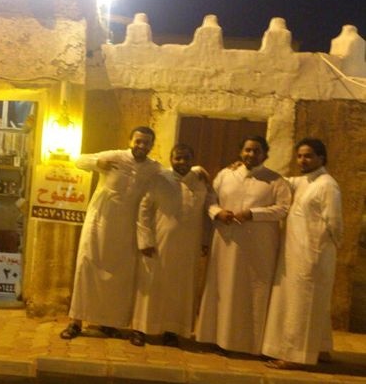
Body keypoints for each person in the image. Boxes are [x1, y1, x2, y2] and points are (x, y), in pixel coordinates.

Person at [60, 126, 161, 339]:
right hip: (98, 224)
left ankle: (108, 322)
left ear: (152, 145)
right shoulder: (115, 156)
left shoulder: (153, 168)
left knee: (119, 277)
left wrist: (197, 170)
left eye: (146, 142)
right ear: (130, 141)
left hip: (126, 230)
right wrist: (98, 163)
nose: (142, 146)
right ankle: (76, 322)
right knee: (86, 269)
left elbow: (172, 176)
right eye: (138, 141)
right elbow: (78, 160)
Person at [195, 135, 291, 355]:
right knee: (223, 287)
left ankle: (247, 343)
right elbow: (210, 199)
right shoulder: (225, 175)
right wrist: (218, 212)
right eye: (247, 150)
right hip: (225, 242)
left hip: (257, 247)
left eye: (257, 151)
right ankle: (215, 337)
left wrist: (252, 214)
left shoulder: (275, 180)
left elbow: (283, 208)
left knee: (251, 291)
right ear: (240, 152)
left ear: (265, 154)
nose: (251, 154)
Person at [262, 138, 343, 369]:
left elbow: (335, 224)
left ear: (321, 158)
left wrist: (320, 254)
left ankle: (294, 356)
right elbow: (278, 181)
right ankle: (320, 348)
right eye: (299, 156)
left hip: (313, 255)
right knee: (311, 303)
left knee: (302, 304)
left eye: (308, 156)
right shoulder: (303, 181)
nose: (302, 160)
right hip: (296, 253)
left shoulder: (327, 185)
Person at [130, 143, 211, 347]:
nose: (182, 162)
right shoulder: (159, 179)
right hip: (159, 244)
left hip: (188, 247)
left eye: (186, 158)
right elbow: (144, 209)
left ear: (192, 160)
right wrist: (145, 240)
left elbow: (205, 212)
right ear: (171, 159)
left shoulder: (200, 182)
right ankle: (140, 329)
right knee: (151, 286)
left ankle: (171, 331)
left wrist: (204, 241)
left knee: (180, 289)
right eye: (178, 158)